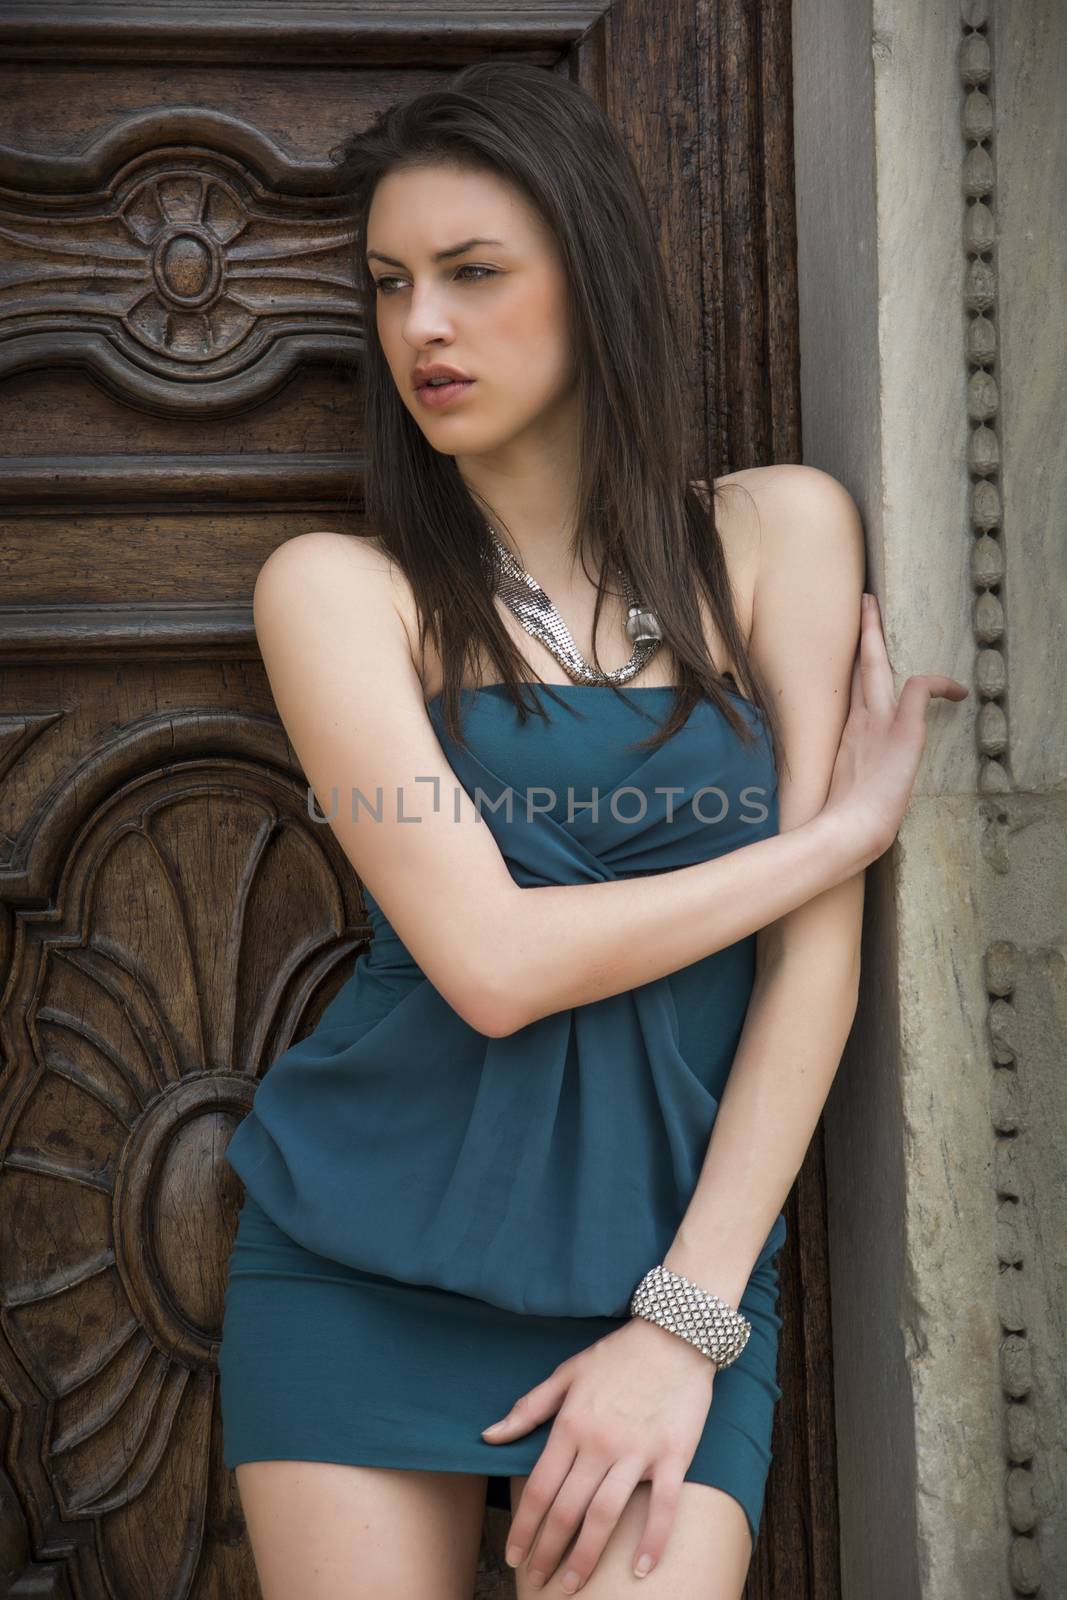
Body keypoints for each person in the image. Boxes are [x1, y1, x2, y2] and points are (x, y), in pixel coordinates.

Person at [216, 61, 968, 1600]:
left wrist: (687, 1319)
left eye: (474, 274)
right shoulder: (335, 592)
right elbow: (490, 965)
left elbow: (809, 977)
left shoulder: (779, 533)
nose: (421, 325)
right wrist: (834, 841)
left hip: (675, 1281)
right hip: (362, 1269)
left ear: (596, 280)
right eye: (389, 283)